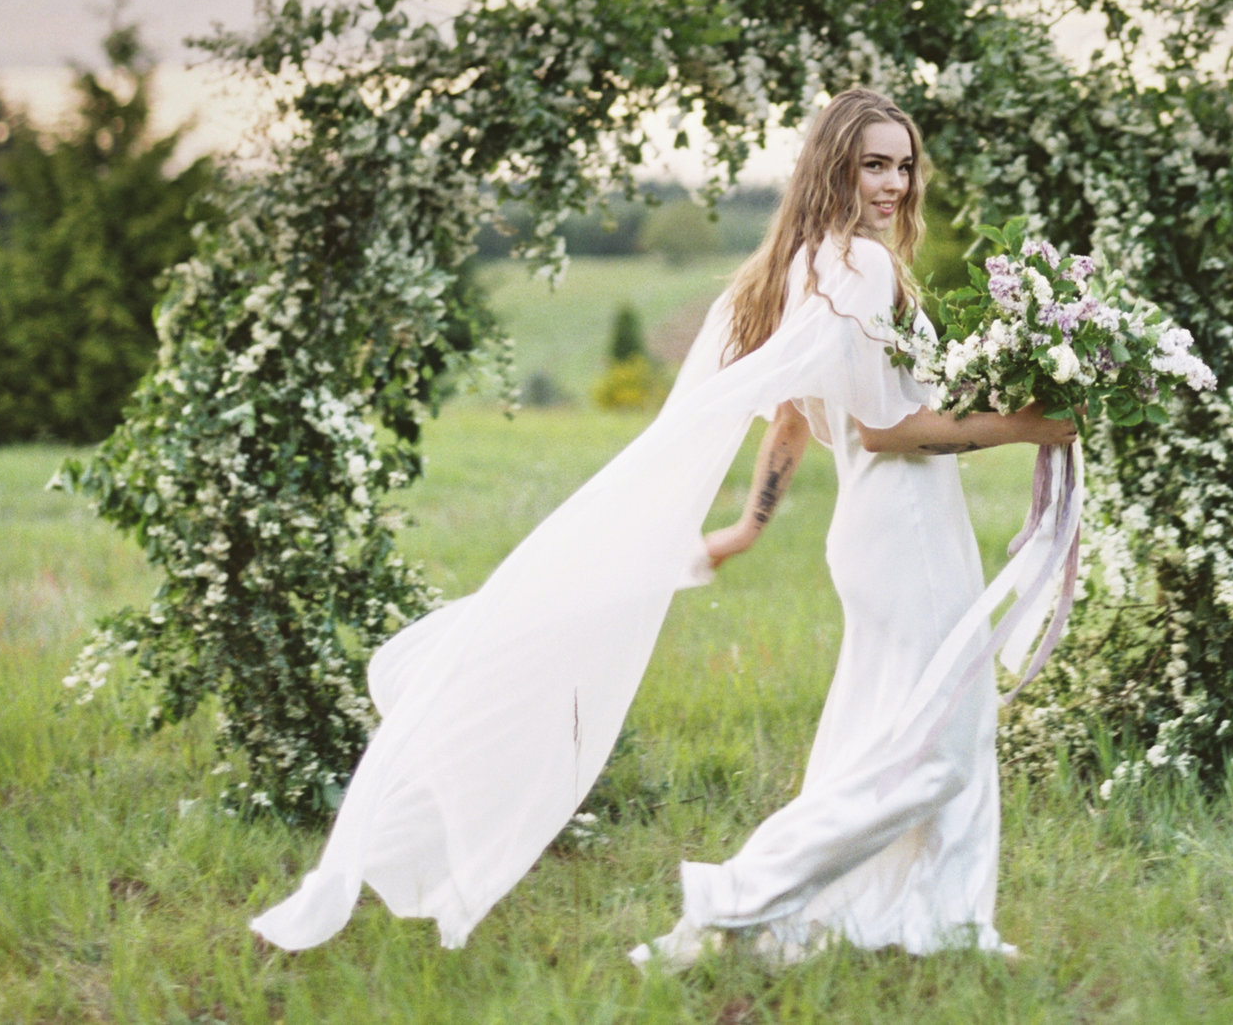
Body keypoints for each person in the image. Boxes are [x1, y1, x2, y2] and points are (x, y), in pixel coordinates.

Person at [249, 89, 1074, 962]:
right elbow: (882, 428)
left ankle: (946, 921)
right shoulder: (858, 270)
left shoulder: (814, 265)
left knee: (895, 728)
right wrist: (1023, 425)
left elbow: (797, 411)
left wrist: (750, 526)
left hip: (887, 531)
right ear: (835, 165)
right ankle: (738, 894)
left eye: (905, 165)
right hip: (903, 532)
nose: (896, 183)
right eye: (876, 163)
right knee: (937, 743)